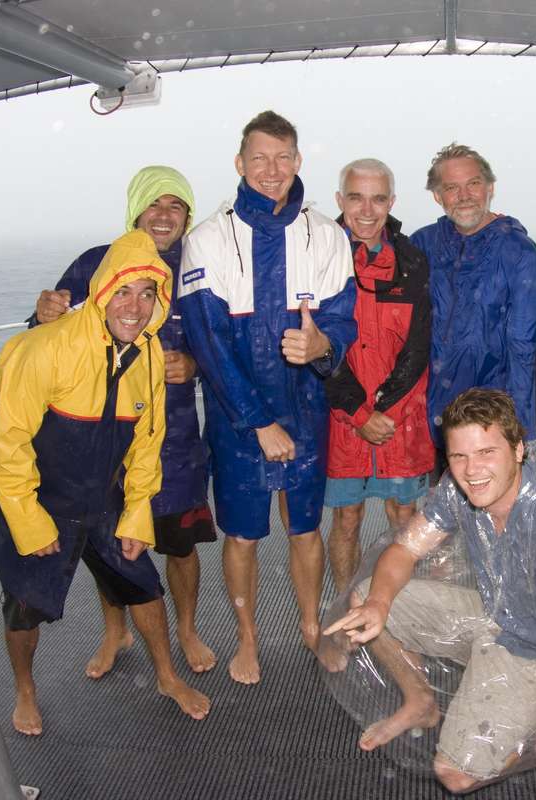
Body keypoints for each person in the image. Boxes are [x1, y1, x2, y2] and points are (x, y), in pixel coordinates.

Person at [325, 388, 536, 799]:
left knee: (454, 774)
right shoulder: (459, 487)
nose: (472, 470)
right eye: (459, 456)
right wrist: (379, 605)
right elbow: (404, 550)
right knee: (366, 600)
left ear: (519, 450)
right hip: (496, 612)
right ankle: (420, 700)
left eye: (486, 453)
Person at [0, 230, 211, 735]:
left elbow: (148, 443)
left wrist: (136, 514)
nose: (134, 307)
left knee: (143, 585)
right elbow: (9, 446)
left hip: (103, 497)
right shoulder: (43, 348)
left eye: (147, 294)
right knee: (23, 607)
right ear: (102, 290)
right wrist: (28, 522)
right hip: (39, 499)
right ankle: (25, 691)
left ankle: (166, 677)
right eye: (123, 291)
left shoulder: (148, 355)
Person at [177, 111, 356, 683]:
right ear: (240, 163)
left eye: (283, 157)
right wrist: (257, 422)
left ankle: (310, 625)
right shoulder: (208, 239)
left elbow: (342, 320)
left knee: (305, 528)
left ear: (299, 161)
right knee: (242, 534)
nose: (272, 170)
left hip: (307, 412)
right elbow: (207, 343)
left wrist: (323, 345)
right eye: (259, 158)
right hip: (237, 421)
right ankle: (247, 638)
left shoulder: (327, 235)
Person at [29, 165, 217, 677]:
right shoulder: (96, 263)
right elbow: (47, 336)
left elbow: (224, 342)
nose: (164, 215)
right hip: (104, 440)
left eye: (176, 206)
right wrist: (42, 314)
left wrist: (195, 365)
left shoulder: (201, 268)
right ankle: (116, 630)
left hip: (175, 440)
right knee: (109, 547)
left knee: (180, 544)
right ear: (135, 210)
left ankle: (187, 628)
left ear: (188, 216)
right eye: (154, 204)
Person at [324, 158, 433, 591]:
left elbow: (419, 346)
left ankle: (396, 610)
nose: (367, 210)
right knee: (347, 518)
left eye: (377, 199)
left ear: (392, 202)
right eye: (356, 198)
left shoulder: (412, 262)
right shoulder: (318, 256)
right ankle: (346, 605)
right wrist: (359, 413)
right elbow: (317, 348)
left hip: (398, 419)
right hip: (343, 418)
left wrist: (385, 412)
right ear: (340, 200)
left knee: (404, 518)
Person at [411, 143, 536, 446]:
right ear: (437, 196)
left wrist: (521, 429)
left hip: (491, 413)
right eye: (451, 188)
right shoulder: (423, 244)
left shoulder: (517, 251)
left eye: (473, 183)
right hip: (432, 415)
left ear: (490, 187)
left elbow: (523, 345)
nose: (464, 195)